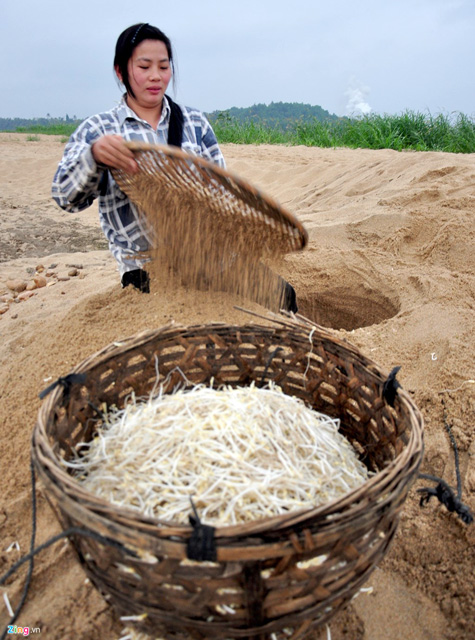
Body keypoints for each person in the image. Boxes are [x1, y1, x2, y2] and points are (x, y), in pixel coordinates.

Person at [52, 22, 298, 311]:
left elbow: (222, 192)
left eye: (163, 66)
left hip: (209, 257)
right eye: (144, 67)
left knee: (283, 296)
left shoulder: (194, 123)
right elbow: (65, 197)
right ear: (121, 71)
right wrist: (94, 156)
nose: (155, 76)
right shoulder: (100, 130)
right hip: (146, 267)